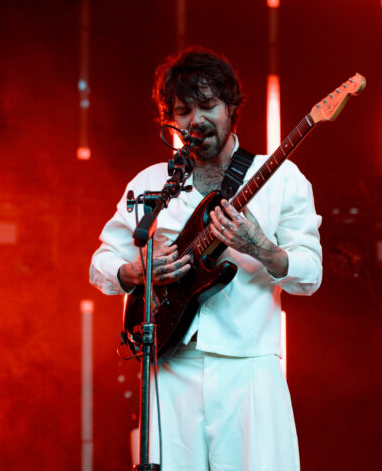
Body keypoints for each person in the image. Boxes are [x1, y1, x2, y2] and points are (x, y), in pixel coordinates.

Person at [90, 47, 322, 470]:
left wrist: (261, 248)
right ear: (170, 120)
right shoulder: (150, 184)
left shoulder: (282, 179)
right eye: (183, 111)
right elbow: (101, 263)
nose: (196, 120)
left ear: (232, 107)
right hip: (170, 368)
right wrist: (135, 271)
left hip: (249, 369)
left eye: (208, 106)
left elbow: (309, 274)